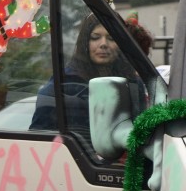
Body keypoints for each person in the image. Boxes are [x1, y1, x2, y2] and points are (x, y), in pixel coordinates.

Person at [30, 13, 144, 146]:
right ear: (84, 42)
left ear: (121, 44)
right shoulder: (64, 84)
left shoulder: (134, 84)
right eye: (95, 37)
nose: (103, 44)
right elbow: (37, 139)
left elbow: (142, 134)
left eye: (111, 38)